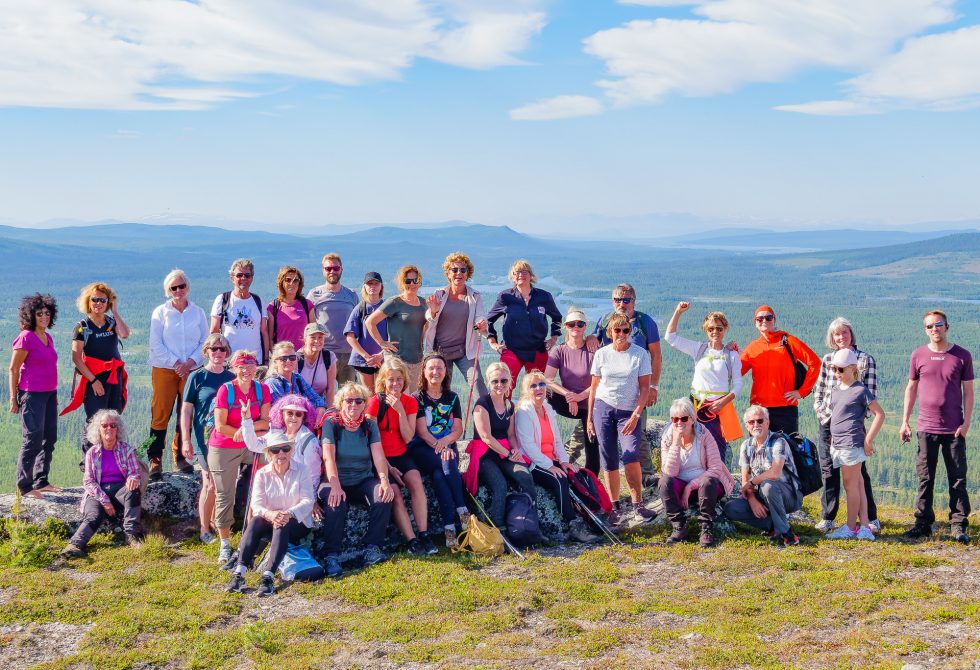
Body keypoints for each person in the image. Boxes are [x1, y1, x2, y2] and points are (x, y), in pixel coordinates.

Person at [900, 310, 973, 544]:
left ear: (947, 327)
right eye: (929, 326)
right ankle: (922, 524)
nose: (934, 329)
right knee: (925, 477)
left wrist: (966, 422)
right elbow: (911, 389)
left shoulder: (962, 356)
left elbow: (969, 392)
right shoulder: (918, 355)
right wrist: (905, 421)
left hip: (954, 429)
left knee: (957, 478)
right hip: (925, 426)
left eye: (938, 325)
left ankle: (959, 524)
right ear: (925, 330)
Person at [318, 382, 395, 577]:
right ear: (341, 403)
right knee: (336, 502)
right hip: (334, 478)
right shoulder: (332, 424)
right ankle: (331, 556)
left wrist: (384, 480)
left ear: (364, 404)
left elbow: (378, 455)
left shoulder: (369, 425)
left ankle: (372, 547)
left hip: (362, 479)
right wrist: (335, 486)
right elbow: (328, 457)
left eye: (358, 400)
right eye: (349, 400)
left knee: (382, 495)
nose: (353, 404)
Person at [585, 284, 662, 482]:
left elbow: (656, 355)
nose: (622, 303)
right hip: (607, 392)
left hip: (637, 390)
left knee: (638, 430)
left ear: (634, 301)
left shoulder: (645, 322)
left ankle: (646, 475)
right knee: (599, 436)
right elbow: (596, 339)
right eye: (617, 300)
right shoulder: (605, 321)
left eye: (626, 300)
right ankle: (594, 476)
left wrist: (654, 386)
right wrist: (591, 336)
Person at [812, 317, 881, 534]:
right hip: (829, 422)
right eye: (836, 334)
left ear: (851, 334)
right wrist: (824, 415)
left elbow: (870, 397)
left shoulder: (865, 360)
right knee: (829, 470)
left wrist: (860, 425)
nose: (841, 337)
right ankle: (829, 516)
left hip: (852, 426)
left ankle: (867, 519)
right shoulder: (827, 359)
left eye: (844, 333)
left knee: (858, 476)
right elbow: (821, 390)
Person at [586, 312, 655, 527]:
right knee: (608, 457)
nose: (621, 334)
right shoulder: (602, 354)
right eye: (617, 330)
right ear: (610, 332)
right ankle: (614, 506)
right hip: (603, 409)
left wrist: (636, 414)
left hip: (629, 411)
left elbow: (645, 388)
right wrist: (589, 418)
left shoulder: (640, 354)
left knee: (631, 454)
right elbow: (594, 388)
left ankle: (638, 504)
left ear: (630, 332)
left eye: (626, 330)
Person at [226, 432, 315, 596]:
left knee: (282, 523)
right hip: (270, 520)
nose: (281, 454)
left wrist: (287, 513)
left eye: (285, 449)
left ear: (291, 451)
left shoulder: (302, 470)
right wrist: (271, 514)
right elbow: (257, 505)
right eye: (275, 450)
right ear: (269, 454)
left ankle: (268, 576)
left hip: (298, 523)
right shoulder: (262, 474)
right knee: (255, 521)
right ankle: (239, 572)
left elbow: (308, 500)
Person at [515, 370, 600, 543]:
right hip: (533, 462)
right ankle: (573, 525)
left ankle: (594, 517)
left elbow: (557, 440)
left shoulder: (547, 407)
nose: (538, 388)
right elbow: (528, 446)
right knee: (559, 480)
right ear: (526, 390)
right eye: (533, 386)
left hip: (550, 458)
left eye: (541, 384)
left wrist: (564, 461)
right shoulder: (524, 412)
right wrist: (550, 465)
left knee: (578, 475)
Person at [365, 358, 438, 556]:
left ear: (404, 380)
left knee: (416, 483)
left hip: (401, 453)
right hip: (380, 458)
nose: (395, 384)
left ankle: (423, 534)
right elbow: (371, 441)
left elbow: (407, 437)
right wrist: (387, 467)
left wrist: (399, 411)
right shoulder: (374, 403)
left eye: (399, 379)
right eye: (391, 380)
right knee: (395, 494)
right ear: (383, 381)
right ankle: (411, 540)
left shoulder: (409, 402)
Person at [208, 349, 271, 564]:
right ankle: (225, 543)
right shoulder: (226, 390)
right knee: (225, 493)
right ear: (234, 369)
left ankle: (252, 534)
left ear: (256, 368)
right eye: (241, 367)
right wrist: (246, 430)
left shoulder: (262, 389)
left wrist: (246, 428)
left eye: (250, 366)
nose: (246, 370)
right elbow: (220, 426)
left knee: (263, 486)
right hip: (224, 444)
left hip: (251, 443)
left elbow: (266, 421)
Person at [148, 269, 209, 480]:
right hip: (164, 369)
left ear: (187, 287)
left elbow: (205, 342)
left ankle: (180, 455)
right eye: (173, 287)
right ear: (168, 290)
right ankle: (154, 458)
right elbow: (155, 343)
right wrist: (176, 364)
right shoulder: (160, 312)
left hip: (191, 370)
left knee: (186, 413)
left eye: (181, 286)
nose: (178, 290)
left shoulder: (198, 312)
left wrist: (190, 362)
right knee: (160, 415)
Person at [664, 302, 743, 461]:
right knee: (690, 442)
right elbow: (670, 337)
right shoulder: (698, 349)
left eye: (719, 328)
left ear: (725, 329)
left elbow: (738, 384)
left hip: (717, 407)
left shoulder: (732, 355)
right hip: (694, 404)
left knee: (717, 444)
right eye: (711, 328)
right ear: (706, 330)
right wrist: (678, 311)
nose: (715, 332)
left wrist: (723, 402)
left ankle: (717, 480)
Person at [462, 362, 536, 530]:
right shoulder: (482, 404)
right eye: (495, 381)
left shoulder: (509, 405)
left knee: (525, 476)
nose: (500, 385)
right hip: (485, 455)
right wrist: (509, 454)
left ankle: (531, 523)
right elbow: (486, 437)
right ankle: (498, 528)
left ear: (509, 381)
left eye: (504, 381)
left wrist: (515, 449)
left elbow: (510, 435)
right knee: (500, 485)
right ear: (489, 382)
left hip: (504, 451)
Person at [408, 353, 470, 549]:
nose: (435, 372)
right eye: (431, 368)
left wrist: (445, 442)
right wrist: (441, 446)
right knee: (446, 463)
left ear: (445, 372)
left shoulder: (452, 397)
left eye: (440, 368)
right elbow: (422, 432)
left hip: (445, 447)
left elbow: (458, 429)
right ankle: (463, 509)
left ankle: (449, 529)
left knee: (439, 476)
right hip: (423, 449)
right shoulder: (417, 398)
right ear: (424, 372)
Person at [823, 349, 886, 542]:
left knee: (850, 487)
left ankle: (850, 527)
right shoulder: (835, 390)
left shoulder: (860, 390)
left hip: (851, 444)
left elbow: (880, 414)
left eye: (841, 369)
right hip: (839, 444)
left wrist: (868, 441)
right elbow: (837, 416)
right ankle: (865, 525)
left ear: (852, 368)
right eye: (834, 369)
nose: (837, 373)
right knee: (857, 484)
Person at [60, 411, 142, 557]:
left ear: (118, 429)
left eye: (113, 425)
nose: (108, 429)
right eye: (104, 425)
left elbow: (135, 472)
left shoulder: (127, 449)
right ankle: (75, 545)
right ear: (99, 429)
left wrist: (133, 478)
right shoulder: (92, 452)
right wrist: (104, 501)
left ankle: (131, 536)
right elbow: (89, 481)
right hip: (97, 491)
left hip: (120, 490)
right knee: (94, 514)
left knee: (133, 491)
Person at [61, 282, 131, 451]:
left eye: (103, 300)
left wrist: (115, 312)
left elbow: (125, 334)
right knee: (95, 421)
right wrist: (93, 381)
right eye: (95, 299)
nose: (98, 303)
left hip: (114, 377)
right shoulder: (82, 327)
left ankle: (112, 461)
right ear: (88, 301)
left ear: (108, 302)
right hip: (94, 379)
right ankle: (89, 462)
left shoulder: (111, 323)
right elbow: (76, 358)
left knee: (114, 419)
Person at [659, 398, 736, 548]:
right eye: (675, 419)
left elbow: (714, 469)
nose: (679, 423)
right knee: (664, 482)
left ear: (692, 419)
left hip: (708, 486)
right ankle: (679, 526)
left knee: (707, 482)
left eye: (684, 418)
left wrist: (691, 486)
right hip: (680, 485)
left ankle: (706, 528)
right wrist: (675, 442)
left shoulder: (704, 435)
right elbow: (669, 472)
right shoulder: (668, 438)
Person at [180, 333, 234, 544]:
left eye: (222, 349)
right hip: (204, 439)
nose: (218, 353)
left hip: (228, 438)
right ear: (206, 352)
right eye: (214, 349)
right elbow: (186, 411)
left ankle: (217, 522)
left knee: (225, 483)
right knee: (210, 483)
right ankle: (204, 528)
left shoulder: (231, 377)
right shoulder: (197, 377)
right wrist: (186, 440)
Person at [723, 406, 803, 547]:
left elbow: (775, 473)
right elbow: (745, 481)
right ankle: (772, 526)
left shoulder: (778, 442)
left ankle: (785, 535)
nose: (756, 425)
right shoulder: (746, 446)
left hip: (789, 496)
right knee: (731, 508)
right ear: (747, 426)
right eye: (751, 422)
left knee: (768, 486)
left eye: (760, 421)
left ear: (767, 423)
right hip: (761, 495)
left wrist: (753, 483)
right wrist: (752, 499)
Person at [739, 305, 820, 435]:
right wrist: (727, 353)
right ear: (755, 323)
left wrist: (802, 392)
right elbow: (735, 372)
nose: (764, 321)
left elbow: (815, 363)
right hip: (759, 410)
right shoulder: (752, 348)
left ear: (774, 320)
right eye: (760, 319)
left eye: (768, 318)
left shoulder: (788, 341)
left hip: (786, 409)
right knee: (759, 453)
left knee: (788, 451)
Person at [9, 293, 60, 499]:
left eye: (47, 313)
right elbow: (13, 369)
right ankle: (25, 486)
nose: (44, 317)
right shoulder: (26, 337)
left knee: (49, 437)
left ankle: (41, 480)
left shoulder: (47, 336)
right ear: (31, 315)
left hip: (49, 393)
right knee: (33, 438)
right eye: (39, 314)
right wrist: (14, 398)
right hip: (32, 394)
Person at [486, 259, 562, 389]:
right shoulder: (505, 297)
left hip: (537, 349)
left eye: (524, 271)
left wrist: (554, 338)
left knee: (537, 388)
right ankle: (505, 409)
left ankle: (534, 410)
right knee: (505, 386)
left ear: (531, 275)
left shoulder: (544, 296)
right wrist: (493, 342)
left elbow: (557, 318)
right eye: (517, 272)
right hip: (511, 349)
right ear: (513, 277)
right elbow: (489, 320)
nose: (521, 274)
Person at [423, 252, 488, 398]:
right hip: (440, 352)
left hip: (465, 351)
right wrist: (433, 311)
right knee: (440, 390)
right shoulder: (439, 294)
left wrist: (481, 324)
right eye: (454, 270)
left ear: (467, 274)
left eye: (463, 270)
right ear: (448, 273)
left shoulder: (474, 296)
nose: (459, 273)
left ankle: (482, 419)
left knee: (479, 386)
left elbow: (480, 316)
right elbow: (429, 317)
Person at [544, 308, 600, 474]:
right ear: (565, 327)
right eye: (571, 324)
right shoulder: (559, 350)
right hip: (570, 404)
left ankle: (592, 477)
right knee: (545, 392)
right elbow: (547, 379)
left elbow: (602, 380)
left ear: (585, 327)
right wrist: (569, 396)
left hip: (591, 403)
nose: (576, 327)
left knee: (592, 442)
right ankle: (547, 449)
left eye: (580, 324)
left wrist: (580, 396)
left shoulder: (594, 349)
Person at [366, 265, 428, 393]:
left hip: (416, 360)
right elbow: (370, 322)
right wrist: (382, 343)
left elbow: (425, 326)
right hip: (397, 359)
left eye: (415, 280)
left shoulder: (423, 303)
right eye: (408, 281)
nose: (412, 284)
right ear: (401, 282)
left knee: (413, 401)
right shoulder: (395, 302)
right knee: (399, 398)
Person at [308, 252, 359, 385]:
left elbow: (357, 323)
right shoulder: (314, 294)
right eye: (328, 268)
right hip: (324, 353)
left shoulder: (351, 295)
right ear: (323, 270)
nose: (332, 271)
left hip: (348, 354)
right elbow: (309, 326)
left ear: (341, 269)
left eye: (335, 268)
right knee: (323, 394)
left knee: (349, 396)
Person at [210, 259, 267, 365]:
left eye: (247, 275)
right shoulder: (222, 300)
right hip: (229, 362)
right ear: (232, 278)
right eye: (239, 275)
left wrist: (266, 360)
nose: (243, 278)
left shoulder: (259, 301)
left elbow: (264, 332)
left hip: (255, 362)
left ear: (252, 278)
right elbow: (214, 332)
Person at [264, 341, 328, 420]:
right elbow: (284, 410)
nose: (288, 361)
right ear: (275, 362)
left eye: (292, 358)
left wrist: (320, 407)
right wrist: (310, 408)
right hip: (282, 427)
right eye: (283, 358)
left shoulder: (297, 378)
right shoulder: (272, 382)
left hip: (299, 422)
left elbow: (315, 398)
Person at [344, 272, 387, 391]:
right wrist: (367, 357)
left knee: (382, 395)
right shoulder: (360, 308)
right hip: (363, 361)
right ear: (365, 287)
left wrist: (381, 355)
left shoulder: (387, 307)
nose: (372, 286)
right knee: (368, 396)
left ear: (381, 286)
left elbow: (395, 335)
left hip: (384, 359)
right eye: (369, 284)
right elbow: (350, 336)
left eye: (376, 283)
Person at [265, 265, 315, 355]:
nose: (292, 283)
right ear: (281, 283)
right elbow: (270, 338)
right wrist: (276, 357)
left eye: (295, 280)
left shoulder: (307, 305)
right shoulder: (273, 307)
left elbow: (314, 333)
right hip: (283, 358)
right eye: (288, 280)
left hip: (305, 357)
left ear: (299, 283)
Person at [297, 323, 336, 406]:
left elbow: (330, 389)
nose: (317, 341)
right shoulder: (295, 359)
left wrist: (328, 412)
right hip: (300, 404)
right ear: (305, 339)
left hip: (320, 404)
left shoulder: (329, 356)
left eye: (320, 337)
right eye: (313, 337)